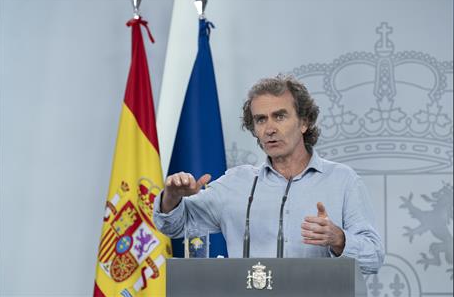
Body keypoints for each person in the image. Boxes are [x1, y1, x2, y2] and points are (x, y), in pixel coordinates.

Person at [153, 75, 384, 274]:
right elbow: (174, 226)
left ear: (304, 122)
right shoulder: (236, 183)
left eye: (280, 116)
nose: (269, 128)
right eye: (260, 119)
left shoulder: (342, 180)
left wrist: (339, 240)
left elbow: (373, 258)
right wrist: (172, 198)